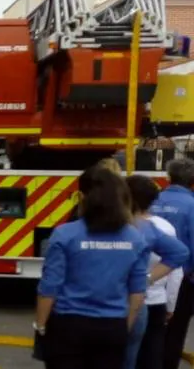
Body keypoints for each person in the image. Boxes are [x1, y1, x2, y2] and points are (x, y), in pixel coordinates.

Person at [36, 166, 150, 369]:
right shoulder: (135, 238)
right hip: (112, 326)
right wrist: (125, 326)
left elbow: (50, 286)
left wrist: (41, 324)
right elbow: (137, 292)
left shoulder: (65, 234)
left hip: (68, 326)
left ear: (81, 197)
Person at [122, 175, 189, 369]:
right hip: (157, 299)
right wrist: (171, 304)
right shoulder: (164, 227)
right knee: (151, 357)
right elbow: (176, 270)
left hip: (127, 300)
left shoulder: (123, 227)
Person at [148, 158, 194, 369]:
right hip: (181, 277)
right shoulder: (192, 205)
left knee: (148, 334)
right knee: (175, 331)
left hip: (148, 276)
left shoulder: (152, 200)